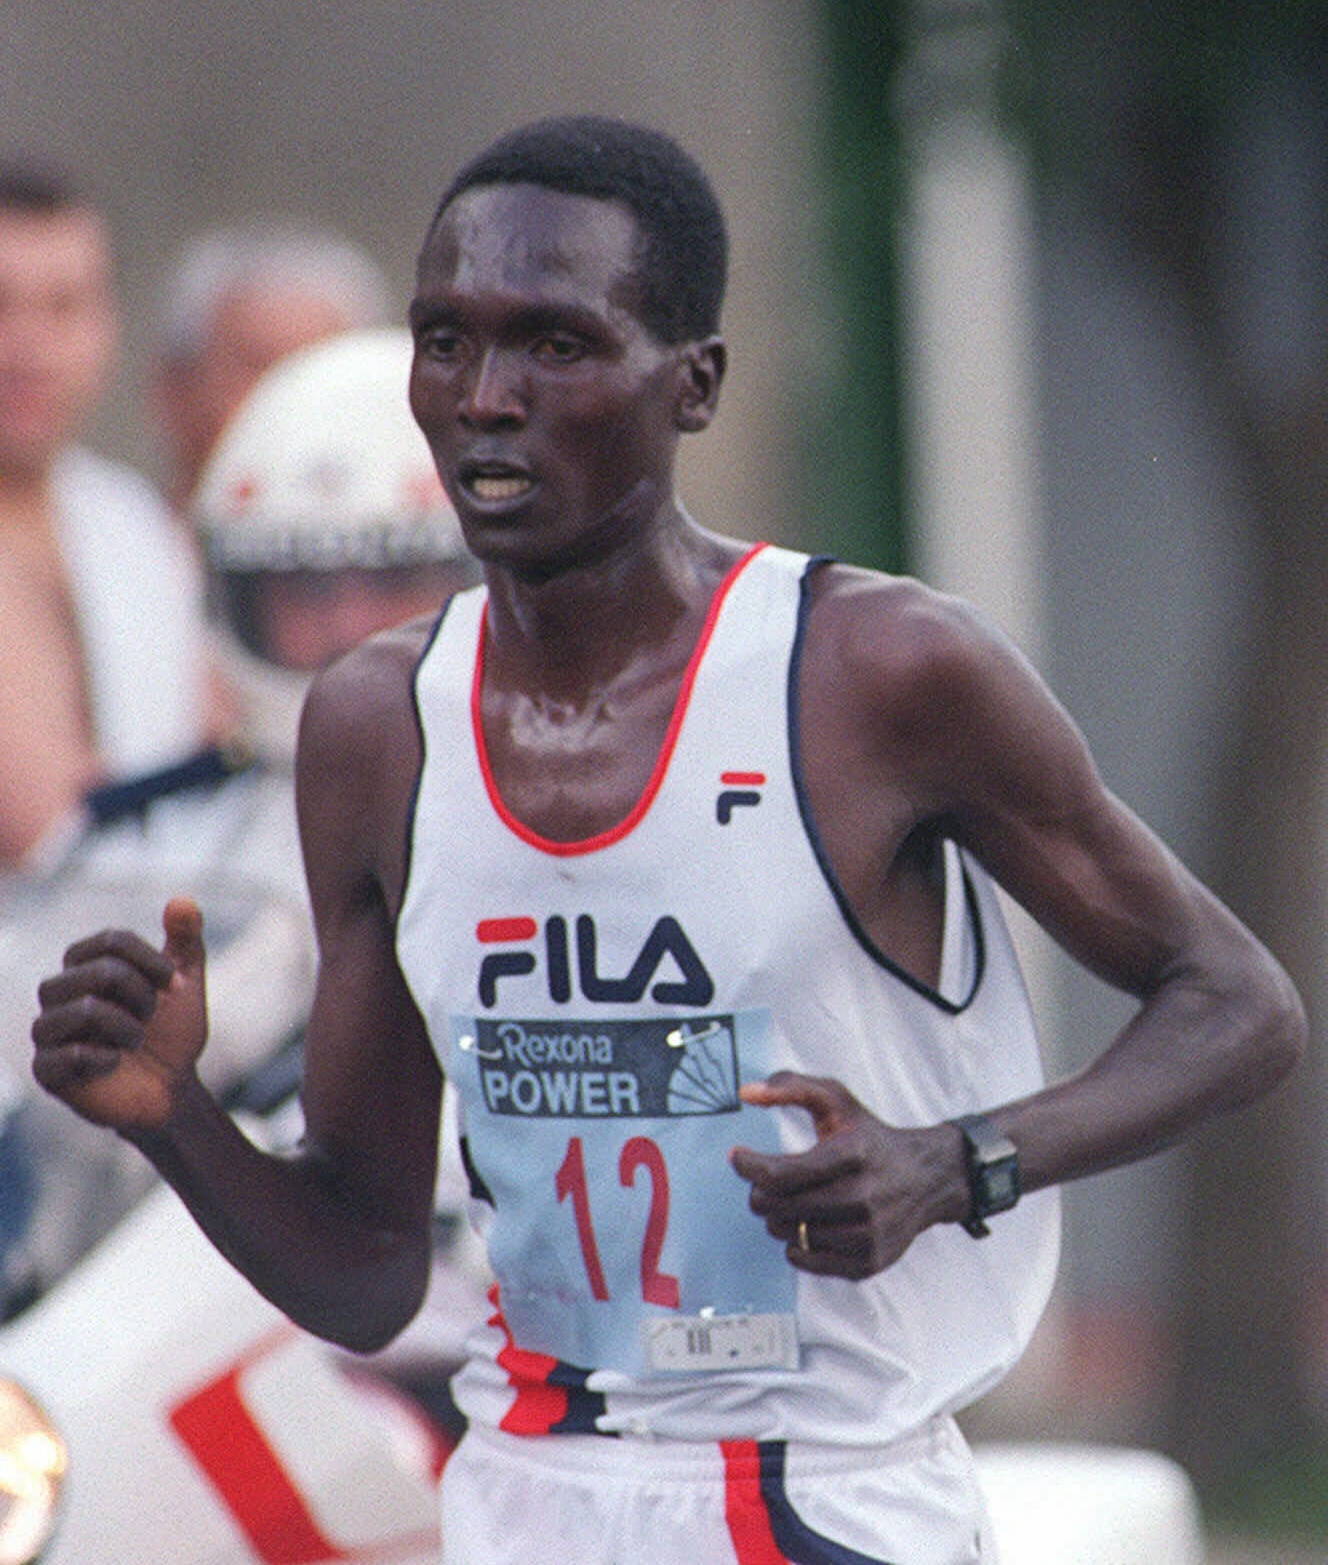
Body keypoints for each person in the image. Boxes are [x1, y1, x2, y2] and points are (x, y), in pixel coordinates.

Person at [30, 117, 1306, 1564]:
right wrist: (172, 1115)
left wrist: (954, 1165)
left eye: (555, 345)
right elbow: (368, 1272)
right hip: (527, 1498)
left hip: (826, 1493)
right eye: (446, 342)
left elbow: (1236, 1005)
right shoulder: (379, 724)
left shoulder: (873, 673)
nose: (485, 398)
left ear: (692, 382)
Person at [2, 327, 481, 1323]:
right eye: (307, 587)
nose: (348, 626)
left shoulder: (552, 828)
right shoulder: (133, 838)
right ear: (234, 594)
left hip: (455, 1325)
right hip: (133, 1327)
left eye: (392, 579)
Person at [0, 158, 212, 869]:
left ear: (108, 327)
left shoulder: (132, 526)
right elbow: (39, 826)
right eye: (0, 304)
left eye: (63, 307)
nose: (27, 346)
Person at [152, 221, 391, 516]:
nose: (295, 401)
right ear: (175, 393)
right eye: (263, 369)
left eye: (323, 374)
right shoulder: (117, 537)